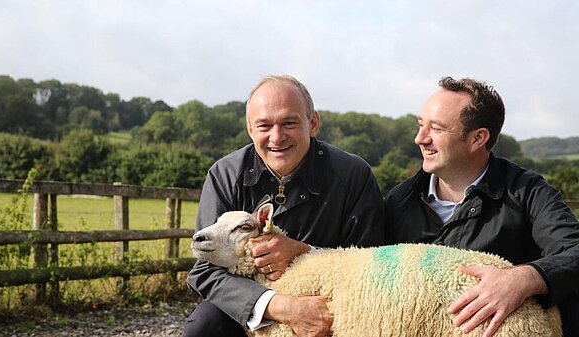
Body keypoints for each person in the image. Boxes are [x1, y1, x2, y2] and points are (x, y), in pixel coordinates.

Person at [184, 74, 385, 337]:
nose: (276, 137)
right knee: (205, 325)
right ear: (250, 129)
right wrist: (278, 305)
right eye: (264, 125)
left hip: (331, 302)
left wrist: (305, 253)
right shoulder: (225, 175)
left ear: (312, 123)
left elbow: (373, 259)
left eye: (289, 123)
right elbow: (204, 270)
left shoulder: (352, 175)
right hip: (253, 305)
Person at [385, 76, 579, 336]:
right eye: (421, 125)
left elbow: (575, 249)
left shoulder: (527, 192)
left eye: (437, 128)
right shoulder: (400, 199)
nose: (420, 138)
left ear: (478, 138)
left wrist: (526, 278)